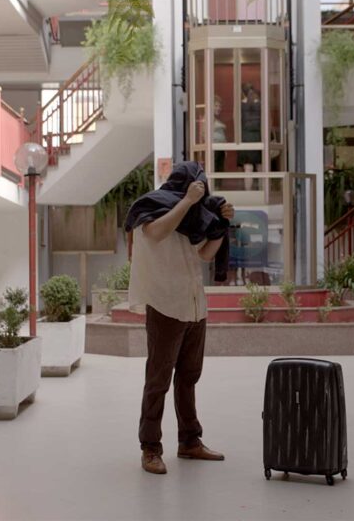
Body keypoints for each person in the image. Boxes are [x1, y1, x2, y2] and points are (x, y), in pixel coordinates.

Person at [124, 162, 235, 475]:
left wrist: (222, 225)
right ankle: (150, 448)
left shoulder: (192, 218)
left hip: (194, 305)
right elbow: (156, 232)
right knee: (157, 381)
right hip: (164, 305)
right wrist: (186, 201)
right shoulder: (150, 207)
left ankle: (189, 441)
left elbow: (205, 255)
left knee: (189, 377)